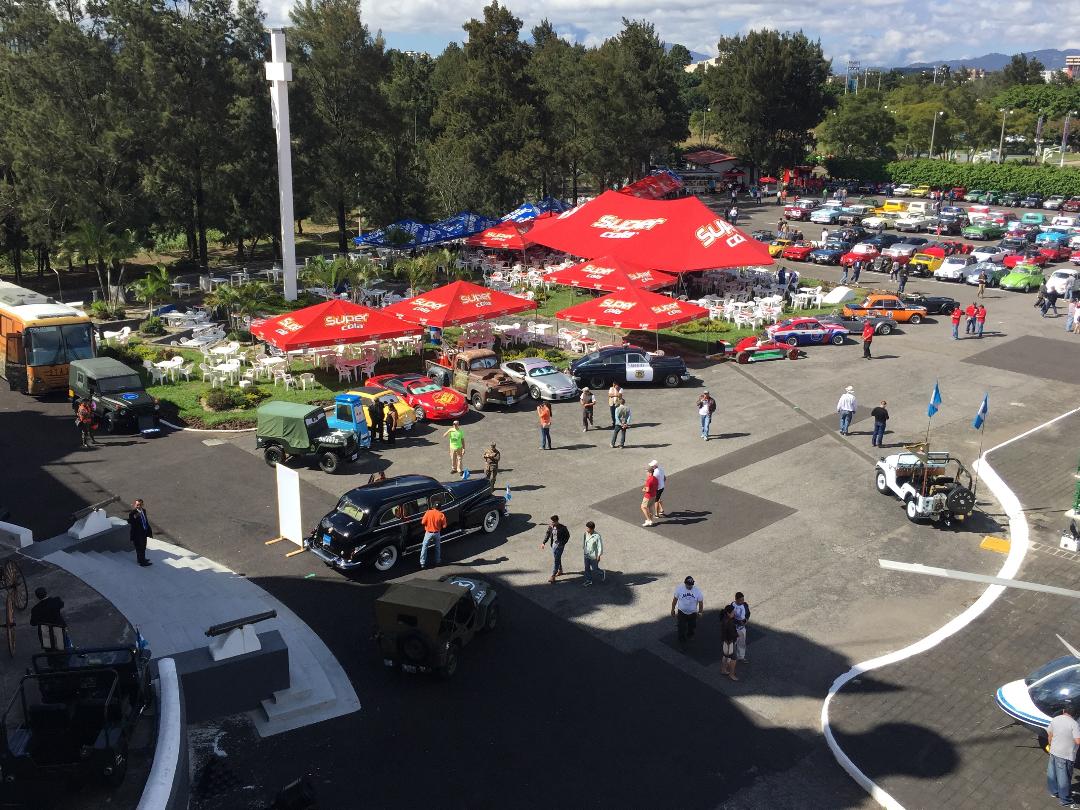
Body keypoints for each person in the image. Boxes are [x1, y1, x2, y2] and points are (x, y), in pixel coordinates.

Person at [1046, 704, 1080, 807]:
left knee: (1052, 773)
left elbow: (1050, 735)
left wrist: (1051, 746)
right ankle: (1066, 800)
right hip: (1065, 756)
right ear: (1075, 714)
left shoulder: (1056, 719)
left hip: (1053, 751)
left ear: (1064, 710)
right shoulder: (1074, 724)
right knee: (1064, 779)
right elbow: (1078, 741)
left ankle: (1054, 792)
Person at [671, 576, 703, 644]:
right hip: (681, 612)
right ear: (685, 583)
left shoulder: (697, 591)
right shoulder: (679, 589)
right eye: (688, 584)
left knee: (692, 626)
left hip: (693, 613)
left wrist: (700, 612)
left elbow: (700, 602)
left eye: (691, 585)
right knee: (681, 627)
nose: (690, 586)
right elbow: (675, 600)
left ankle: (690, 634)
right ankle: (682, 640)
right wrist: (672, 609)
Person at [540, 515, 570, 584]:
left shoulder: (563, 528)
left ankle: (553, 576)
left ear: (557, 521)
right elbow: (547, 534)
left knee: (556, 559)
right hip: (553, 545)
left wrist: (562, 543)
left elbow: (567, 536)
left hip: (560, 546)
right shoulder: (551, 527)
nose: (552, 523)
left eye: (553, 522)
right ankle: (560, 570)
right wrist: (543, 543)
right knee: (557, 558)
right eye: (551, 522)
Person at [419, 503, 447, 569]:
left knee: (424, 547)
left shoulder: (428, 512)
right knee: (437, 548)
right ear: (440, 508)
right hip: (437, 533)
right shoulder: (441, 514)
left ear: (433, 507)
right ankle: (437, 561)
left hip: (428, 533)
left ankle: (422, 563)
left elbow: (422, 522)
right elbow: (444, 526)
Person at [127, 498, 153, 567]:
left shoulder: (143, 511)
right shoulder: (132, 513)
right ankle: (142, 562)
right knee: (139, 548)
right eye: (137, 505)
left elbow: (145, 520)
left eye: (140, 505)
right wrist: (135, 517)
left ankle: (142, 559)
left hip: (144, 532)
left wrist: (148, 530)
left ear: (142, 505)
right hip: (137, 534)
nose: (139, 506)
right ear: (135, 505)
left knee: (143, 547)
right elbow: (130, 521)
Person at [582, 521, 605, 586]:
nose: (586, 529)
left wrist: (599, 555)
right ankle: (589, 580)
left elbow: (600, 546)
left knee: (594, 569)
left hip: (594, 556)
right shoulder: (585, 533)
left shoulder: (597, 536)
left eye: (588, 528)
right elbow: (584, 541)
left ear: (592, 529)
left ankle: (602, 572)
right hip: (586, 554)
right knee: (587, 568)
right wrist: (584, 548)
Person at [730, 592, 750, 665]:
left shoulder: (745, 605)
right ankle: (730, 658)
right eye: (740, 600)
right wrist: (738, 622)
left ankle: (741, 657)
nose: (742, 601)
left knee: (742, 643)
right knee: (732, 643)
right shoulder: (732, 606)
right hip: (734, 628)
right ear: (736, 599)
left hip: (742, 628)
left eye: (743, 599)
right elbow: (730, 617)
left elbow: (748, 613)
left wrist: (746, 620)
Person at [720, 605, 739, 680]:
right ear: (728, 613)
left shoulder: (724, 619)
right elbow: (731, 634)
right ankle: (731, 674)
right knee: (734, 658)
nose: (734, 613)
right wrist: (737, 635)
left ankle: (723, 669)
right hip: (730, 642)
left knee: (725, 655)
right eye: (733, 612)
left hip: (725, 641)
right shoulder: (729, 623)